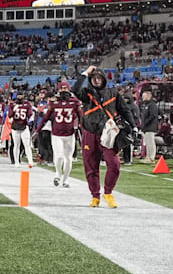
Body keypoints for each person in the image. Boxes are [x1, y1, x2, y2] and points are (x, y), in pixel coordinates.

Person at [72, 65, 136, 209]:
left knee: (114, 164)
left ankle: (108, 193)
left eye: (98, 78)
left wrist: (134, 126)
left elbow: (124, 110)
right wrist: (85, 73)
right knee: (91, 167)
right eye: (93, 78)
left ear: (103, 79)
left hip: (108, 133)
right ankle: (95, 196)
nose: (96, 80)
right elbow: (74, 89)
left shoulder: (113, 93)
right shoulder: (86, 93)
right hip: (89, 132)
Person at [38, 82, 82, 188]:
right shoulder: (54, 102)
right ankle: (57, 174)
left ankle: (65, 180)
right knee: (59, 156)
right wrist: (38, 129)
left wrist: (83, 129)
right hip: (56, 134)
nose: (64, 92)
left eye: (65, 89)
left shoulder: (75, 102)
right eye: (62, 90)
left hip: (70, 134)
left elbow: (81, 117)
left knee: (68, 158)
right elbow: (46, 117)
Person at [8, 95, 35, 167]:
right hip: (15, 127)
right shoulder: (12, 104)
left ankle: (30, 161)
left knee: (27, 145)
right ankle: (16, 162)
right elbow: (10, 115)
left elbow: (30, 114)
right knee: (16, 145)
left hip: (24, 126)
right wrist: (14, 110)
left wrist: (30, 119)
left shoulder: (27, 104)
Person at [139, 88, 160, 162]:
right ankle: (148, 157)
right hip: (146, 127)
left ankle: (151, 157)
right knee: (147, 143)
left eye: (144, 96)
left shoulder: (152, 105)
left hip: (150, 127)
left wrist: (145, 123)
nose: (142, 97)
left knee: (151, 143)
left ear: (149, 96)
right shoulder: (146, 105)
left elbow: (153, 115)